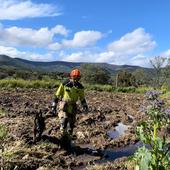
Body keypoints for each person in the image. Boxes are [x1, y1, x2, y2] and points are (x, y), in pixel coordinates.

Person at [51, 68, 88, 140]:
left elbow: (82, 98)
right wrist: (53, 106)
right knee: (64, 121)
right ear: (71, 76)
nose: (76, 79)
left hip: (73, 106)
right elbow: (57, 95)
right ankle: (63, 137)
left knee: (71, 124)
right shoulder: (65, 83)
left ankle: (69, 138)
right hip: (64, 105)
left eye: (77, 78)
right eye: (74, 77)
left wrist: (85, 106)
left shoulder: (80, 87)